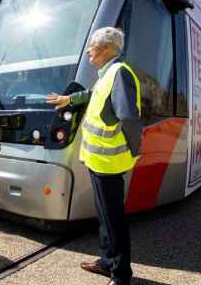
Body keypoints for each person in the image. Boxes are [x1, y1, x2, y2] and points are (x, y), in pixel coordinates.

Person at [47, 27, 142, 285]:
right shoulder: (108, 73)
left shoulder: (119, 73)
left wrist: (136, 150)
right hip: (99, 160)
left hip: (109, 162)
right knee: (104, 214)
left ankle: (121, 275)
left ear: (109, 47)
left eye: (93, 45)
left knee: (113, 219)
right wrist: (70, 98)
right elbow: (94, 95)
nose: (89, 49)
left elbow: (130, 117)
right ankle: (106, 261)